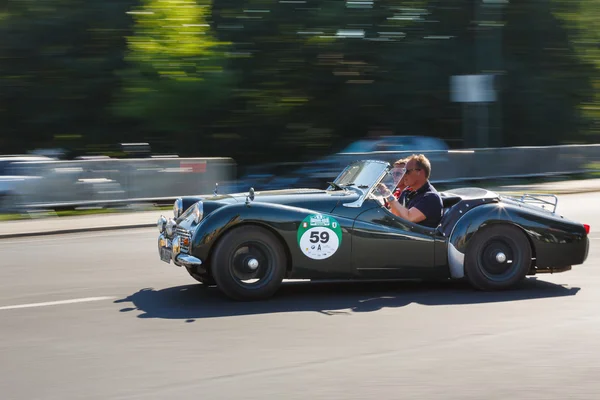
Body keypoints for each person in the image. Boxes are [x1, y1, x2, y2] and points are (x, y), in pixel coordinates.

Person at [378, 154, 443, 228]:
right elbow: (395, 214)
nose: (403, 175)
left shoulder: (431, 197)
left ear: (420, 172)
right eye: (403, 171)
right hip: (402, 234)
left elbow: (409, 217)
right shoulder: (407, 192)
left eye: (407, 171)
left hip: (419, 237)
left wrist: (388, 194)